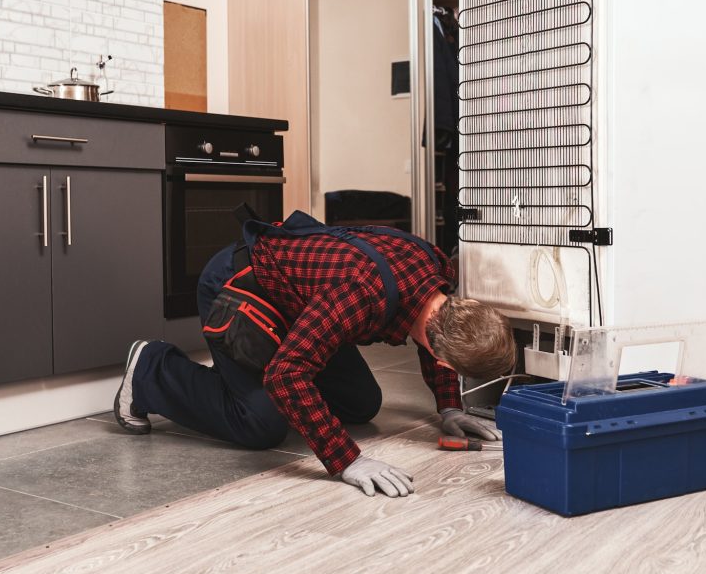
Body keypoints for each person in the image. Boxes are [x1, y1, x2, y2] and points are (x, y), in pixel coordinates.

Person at [113, 212, 516, 498]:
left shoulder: (436, 275)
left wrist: (449, 407)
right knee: (262, 424)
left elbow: (435, 329)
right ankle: (152, 370)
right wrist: (346, 461)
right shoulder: (360, 295)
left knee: (362, 404)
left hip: (306, 300)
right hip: (241, 285)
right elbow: (286, 375)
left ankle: (241, 378)